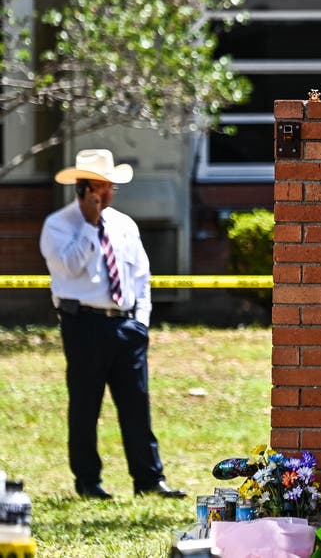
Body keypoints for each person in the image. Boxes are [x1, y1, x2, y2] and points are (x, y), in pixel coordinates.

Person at [39, 149, 186, 500]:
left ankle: (149, 479)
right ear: (86, 188)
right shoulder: (58, 226)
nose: (111, 192)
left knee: (137, 404)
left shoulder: (124, 224)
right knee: (86, 406)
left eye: (111, 186)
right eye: (105, 186)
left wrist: (142, 322)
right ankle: (89, 482)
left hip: (126, 327)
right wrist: (89, 226)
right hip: (84, 324)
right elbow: (70, 267)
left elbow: (141, 276)